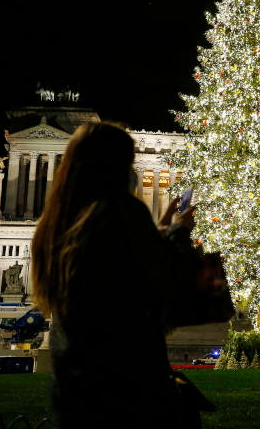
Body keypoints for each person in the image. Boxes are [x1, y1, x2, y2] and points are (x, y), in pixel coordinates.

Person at [31, 122, 205, 428]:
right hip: (125, 373)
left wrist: (157, 234)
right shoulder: (120, 208)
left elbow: (112, 276)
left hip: (72, 375)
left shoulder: (56, 221)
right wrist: (178, 233)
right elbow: (171, 284)